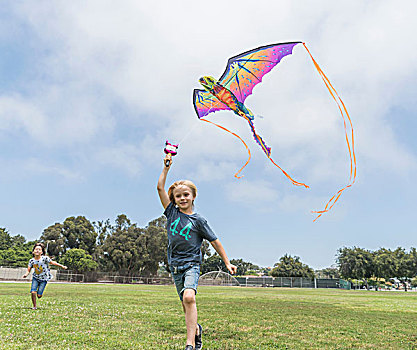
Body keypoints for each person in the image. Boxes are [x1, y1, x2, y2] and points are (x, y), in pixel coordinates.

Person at [157, 153, 237, 350]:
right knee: (186, 304)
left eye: (186, 195)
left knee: (189, 297)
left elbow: (215, 241)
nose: (182, 198)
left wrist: (227, 262)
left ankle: (190, 343)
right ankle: (197, 330)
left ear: (193, 196)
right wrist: (166, 168)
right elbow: (160, 187)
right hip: (175, 265)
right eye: (178, 196)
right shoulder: (172, 212)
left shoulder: (199, 221)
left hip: (192, 264)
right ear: (173, 199)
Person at [22, 243, 67, 310]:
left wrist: (61, 266)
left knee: (39, 295)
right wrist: (26, 274)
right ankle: (34, 306)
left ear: (42, 252)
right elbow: (29, 269)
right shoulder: (31, 261)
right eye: (36, 249)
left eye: (39, 249)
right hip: (36, 278)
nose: (37, 251)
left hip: (44, 279)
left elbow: (53, 262)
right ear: (33, 251)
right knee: (33, 292)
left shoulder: (45, 258)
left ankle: (39, 292)